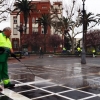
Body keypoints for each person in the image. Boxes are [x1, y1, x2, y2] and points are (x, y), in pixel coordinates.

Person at [0, 27, 15, 91]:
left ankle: (7, 83)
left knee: (4, 71)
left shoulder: (8, 39)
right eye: (10, 32)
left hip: (5, 58)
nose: (10, 34)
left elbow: (10, 47)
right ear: (6, 31)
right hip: (0, 57)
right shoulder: (0, 35)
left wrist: (12, 53)